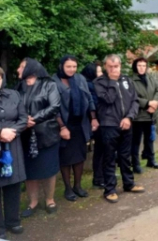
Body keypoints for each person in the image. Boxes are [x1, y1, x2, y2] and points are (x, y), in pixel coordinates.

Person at [94, 54, 145, 203]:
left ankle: (129, 184)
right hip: (109, 125)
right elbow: (108, 99)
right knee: (109, 157)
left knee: (125, 155)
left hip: (126, 124)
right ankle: (110, 189)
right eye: (110, 66)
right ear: (105, 66)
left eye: (116, 67)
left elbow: (135, 101)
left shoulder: (127, 80)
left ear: (120, 66)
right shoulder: (99, 82)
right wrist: (112, 81)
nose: (113, 69)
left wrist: (129, 117)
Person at [16, 58, 61, 217]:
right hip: (25, 136)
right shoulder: (19, 87)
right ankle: (33, 202)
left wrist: (33, 118)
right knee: (30, 171)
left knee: (49, 169)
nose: (18, 70)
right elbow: (13, 106)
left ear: (31, 69)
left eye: (21, 67)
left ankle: (49, 199)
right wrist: (23, 120)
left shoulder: (49, 84)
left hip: (46, 134)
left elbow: (54, 106)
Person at [52, 55, 97, 202]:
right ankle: (68, 188)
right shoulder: (54, 82)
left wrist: (94, 118)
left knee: (79, 157)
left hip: (80, 124)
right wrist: (62, 127)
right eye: (68, 66)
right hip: (63, 125)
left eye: (74, 66)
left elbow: (89, 98)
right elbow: (54, 108)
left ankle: (78, 186)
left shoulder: (80, 79)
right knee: (65, 159)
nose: (71, 69)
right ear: (61, 66)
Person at [0, 67, 27, 237]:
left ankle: (13, 221)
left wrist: (13, 131)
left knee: (12, 184)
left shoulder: (14, 95)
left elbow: (23, 118)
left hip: (12, 146)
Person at [131, 58, 158, 173]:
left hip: (151, 114)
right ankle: (135, 164)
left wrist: (154, 103)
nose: (142, 68)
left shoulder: (151, 78)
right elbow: (132, 97)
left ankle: (151, 159)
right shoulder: (131, 81)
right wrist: (147, 103)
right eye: (139, 65)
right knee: (136, 141)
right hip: (138, 116)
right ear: (135, 66)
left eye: (144, 65)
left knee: (150, 139)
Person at [81, 62, 104, 189]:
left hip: (98, 120)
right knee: (100, 150)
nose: (101, 74)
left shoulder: (91, 84)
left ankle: (102, 176)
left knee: (102, 149)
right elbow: (94, 103)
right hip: (97, 121)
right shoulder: (90, 86)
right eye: (98, 72)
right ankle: (98, 178)